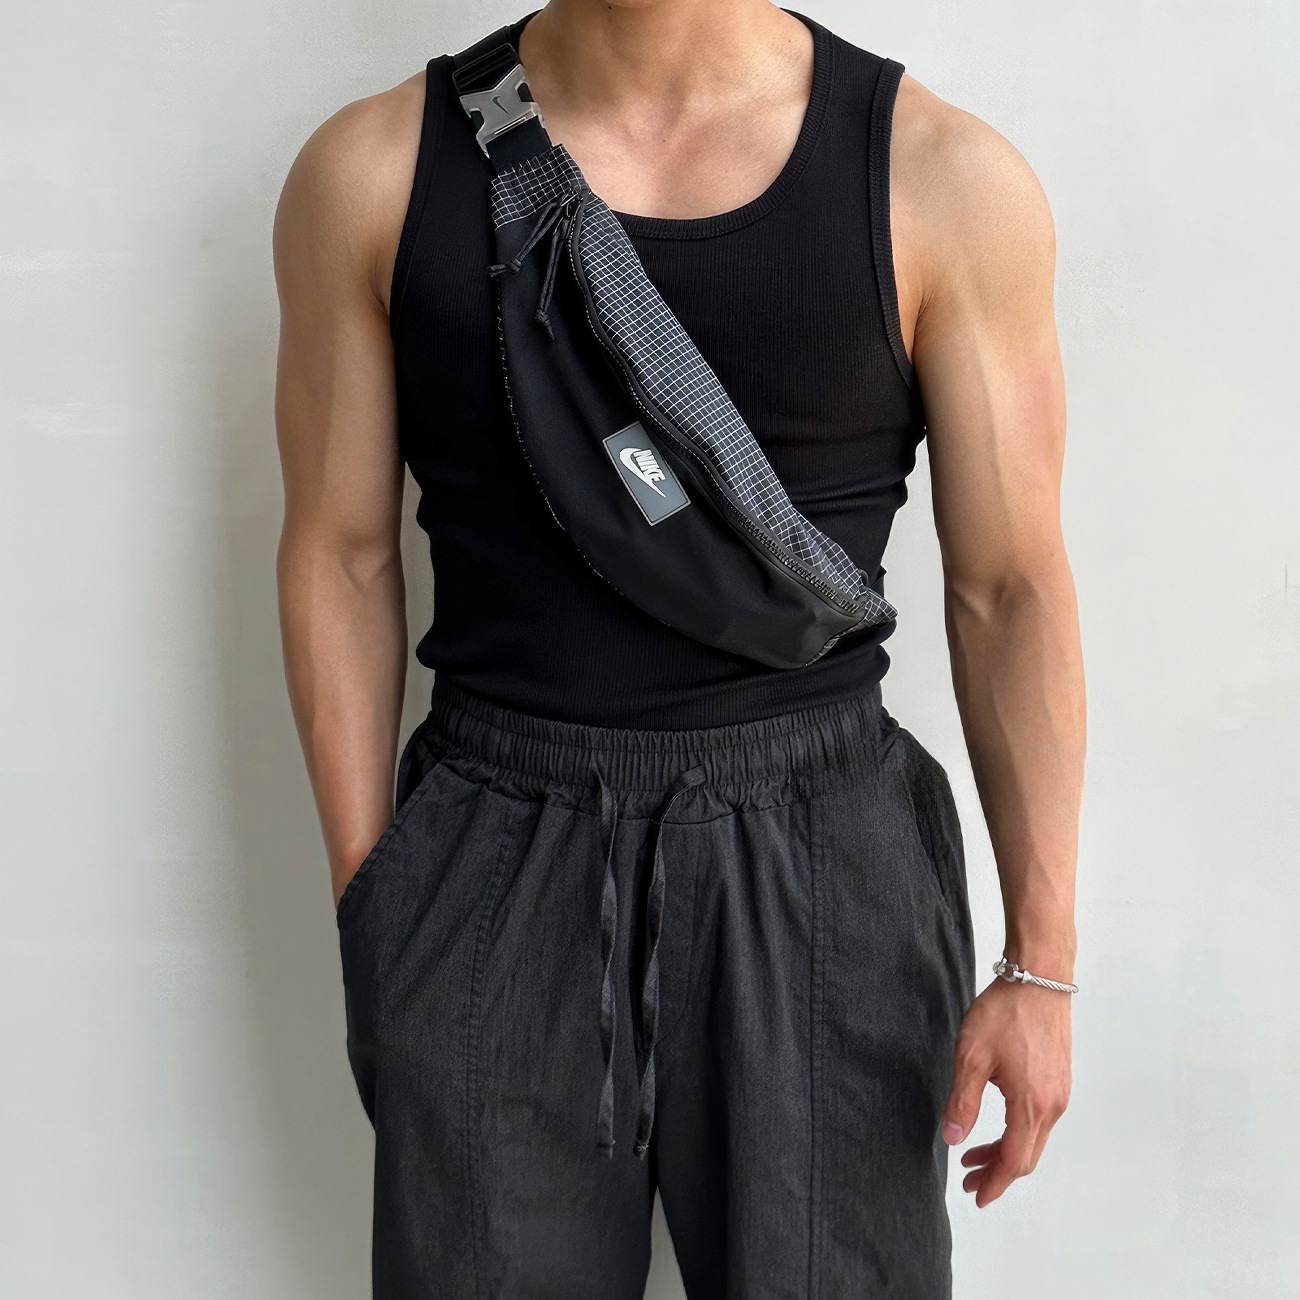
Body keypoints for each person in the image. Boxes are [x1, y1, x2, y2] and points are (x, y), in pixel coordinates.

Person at [273, 0, 1083, 1294]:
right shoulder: (372, 173)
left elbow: (1011, 586)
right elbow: (341, 551)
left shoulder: (942, 179)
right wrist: (377, 905)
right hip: (491, 849)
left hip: (825, 859)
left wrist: (1040, 964)